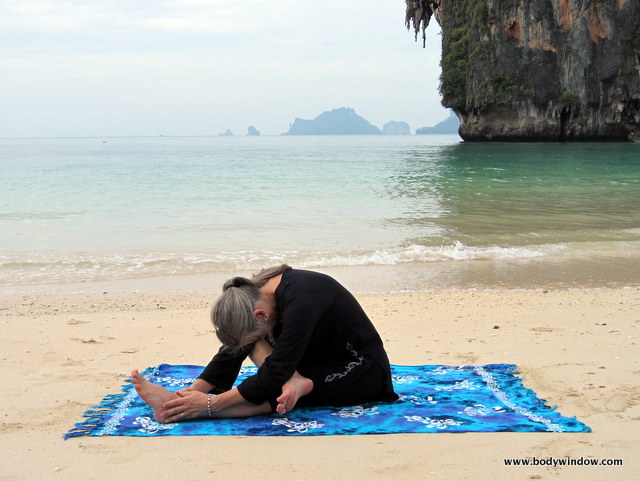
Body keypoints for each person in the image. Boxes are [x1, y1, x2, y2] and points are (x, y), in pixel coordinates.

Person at [131, 265, 397, 423]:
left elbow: (275, 370)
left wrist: (212, 404)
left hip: (361, 370)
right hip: (311, 361)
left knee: (279, 395)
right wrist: (192, 391)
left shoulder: (303, 299)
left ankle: (195, 411)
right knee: (255, 348)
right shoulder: (255, 296)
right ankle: (181, 403)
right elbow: (235, 348)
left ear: (261, 314)